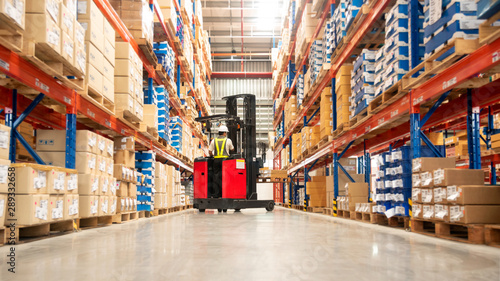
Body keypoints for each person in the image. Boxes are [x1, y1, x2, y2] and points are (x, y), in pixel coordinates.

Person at [208, 125, 234, 198]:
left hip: (216, 161)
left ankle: (216, 194)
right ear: (225, 133)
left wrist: (212, 156)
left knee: (216, 177)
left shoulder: (214, 140)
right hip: (225, 161)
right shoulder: (228, 140)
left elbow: (210, 151)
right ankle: (225, 194)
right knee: (225, 177)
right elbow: (232, 149)